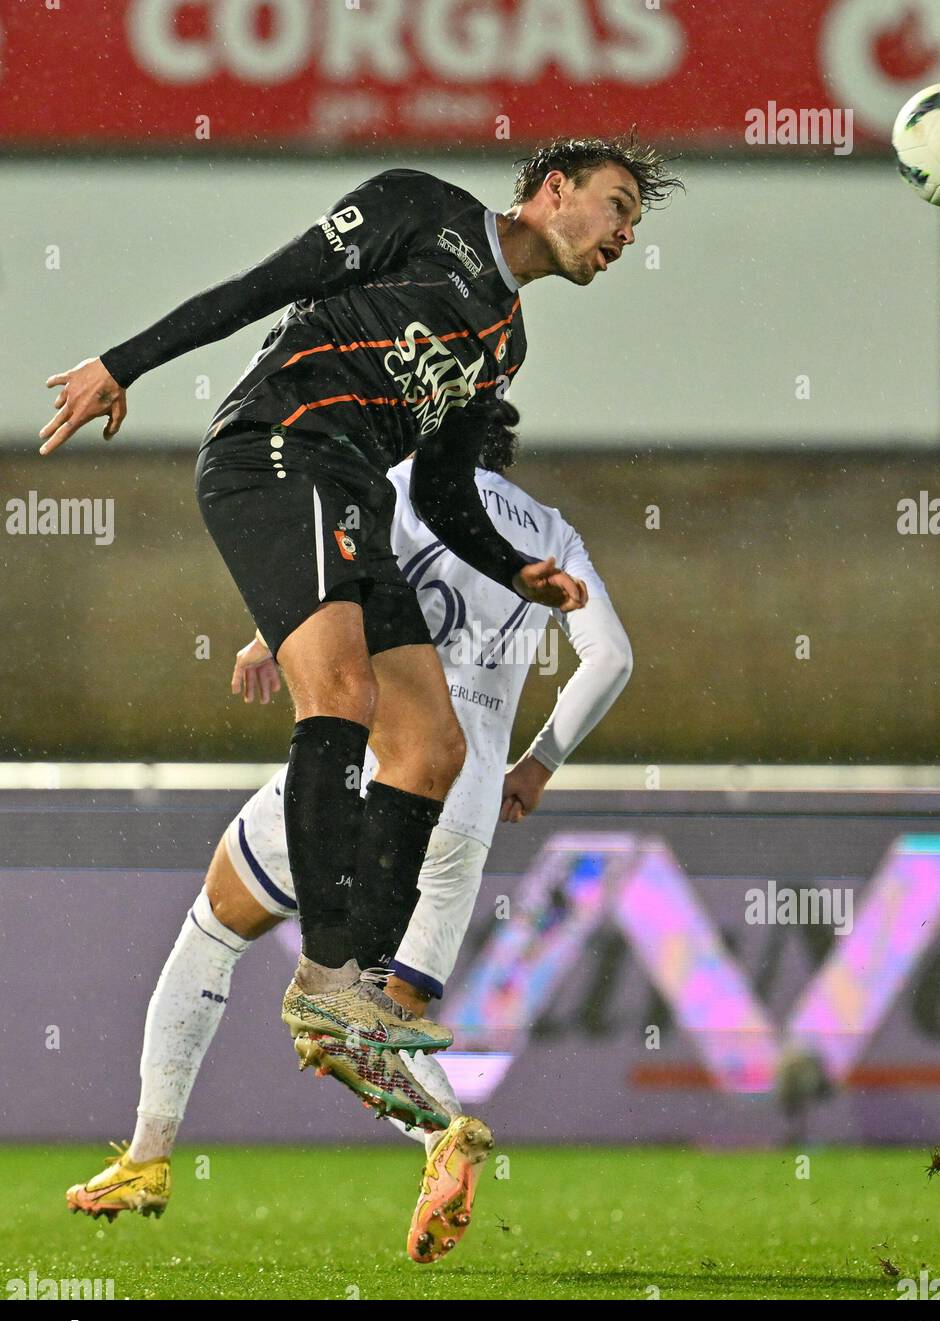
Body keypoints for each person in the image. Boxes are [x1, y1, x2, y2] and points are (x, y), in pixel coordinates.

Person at [40, 135, 678, 1123]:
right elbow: (264, 285)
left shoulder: (502, 343)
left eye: (634, 223)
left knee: (432, 746)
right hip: (277, 451)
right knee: (340, 695)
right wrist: (122, 364)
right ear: (554, 191)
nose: (626, 234)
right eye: (616, 206)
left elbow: (440, 489)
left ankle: (347, 995)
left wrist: (518, 571)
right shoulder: (419, 209)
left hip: (354, 502)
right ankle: (330, 973)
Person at [66, 407, 633, 1264]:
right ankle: (446, 1135)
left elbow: (334, 575)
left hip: (381, 763)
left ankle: (147, 1158)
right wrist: (537, 765)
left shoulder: (404, 487)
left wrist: (265, 637)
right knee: (374, 1015)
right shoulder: (553, 534)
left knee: (215, 927)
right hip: (470, 799)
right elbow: (614, 658)